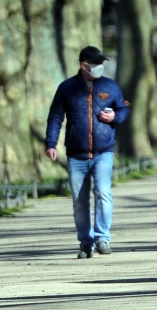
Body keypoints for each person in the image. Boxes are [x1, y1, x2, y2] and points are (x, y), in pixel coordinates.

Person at [45, 46, 131, 258]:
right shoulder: (66, 88)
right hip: (76, 155)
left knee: (103, 193)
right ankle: (85, 242)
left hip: (103, 152)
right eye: (96, 64)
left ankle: (102, 238)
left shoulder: (110, 86)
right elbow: (56, 116)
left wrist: (115, 117)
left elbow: (124, 107)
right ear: (84, 65)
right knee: (79, 201)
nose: (100, 67)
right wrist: (51, 143)